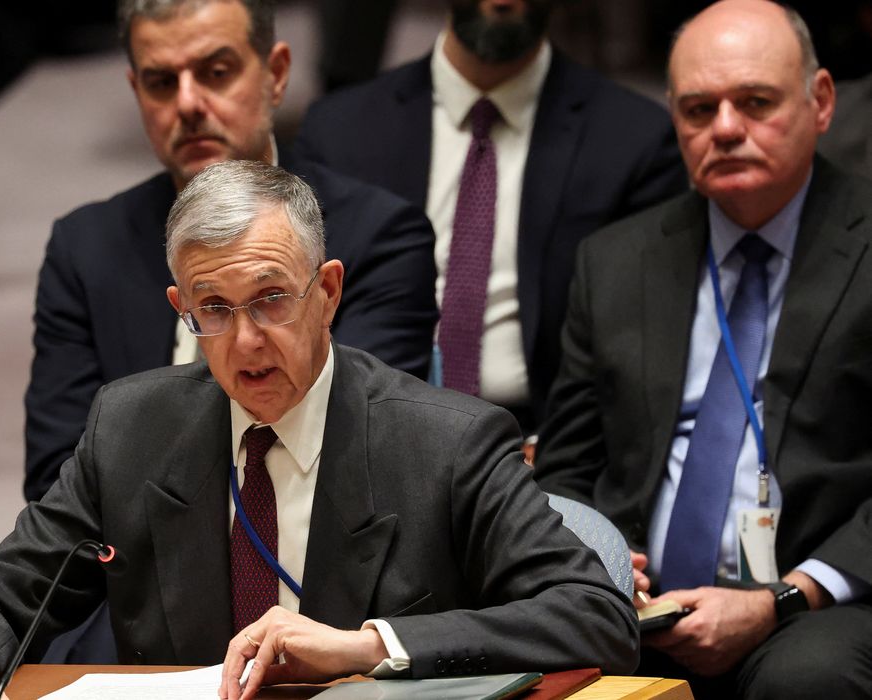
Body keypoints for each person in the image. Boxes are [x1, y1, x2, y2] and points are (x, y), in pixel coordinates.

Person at [0, 161, 637, 700]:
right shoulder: (131, 428)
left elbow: (594, 615)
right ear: (183, 307)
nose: (245, 341)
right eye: (213, 309)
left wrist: (370, 647)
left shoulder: (446, 444)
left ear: (329, 292)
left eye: (272, 299)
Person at [533, 1, 872, 697]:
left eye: (755, 103)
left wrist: (786, 596)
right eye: (697, 109)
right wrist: (590, 553)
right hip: (636, 609)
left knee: (807, 680)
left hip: (820, 602)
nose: (724, 129)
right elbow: (565, 469)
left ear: (822, 101)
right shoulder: (615, 262)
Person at [24, 0, 439, 502]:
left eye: (216, 73)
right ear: (136, 91)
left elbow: (364, 446)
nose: (188, 104)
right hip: (134, 569)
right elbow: (56, 476)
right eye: (160, 83)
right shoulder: (85, 248)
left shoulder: (380, 234)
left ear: (276, 74)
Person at [293, 0, 687, 436]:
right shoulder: (339, 132)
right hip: (373, 433)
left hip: (544, 440)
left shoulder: (636, 141)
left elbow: (634, 353)